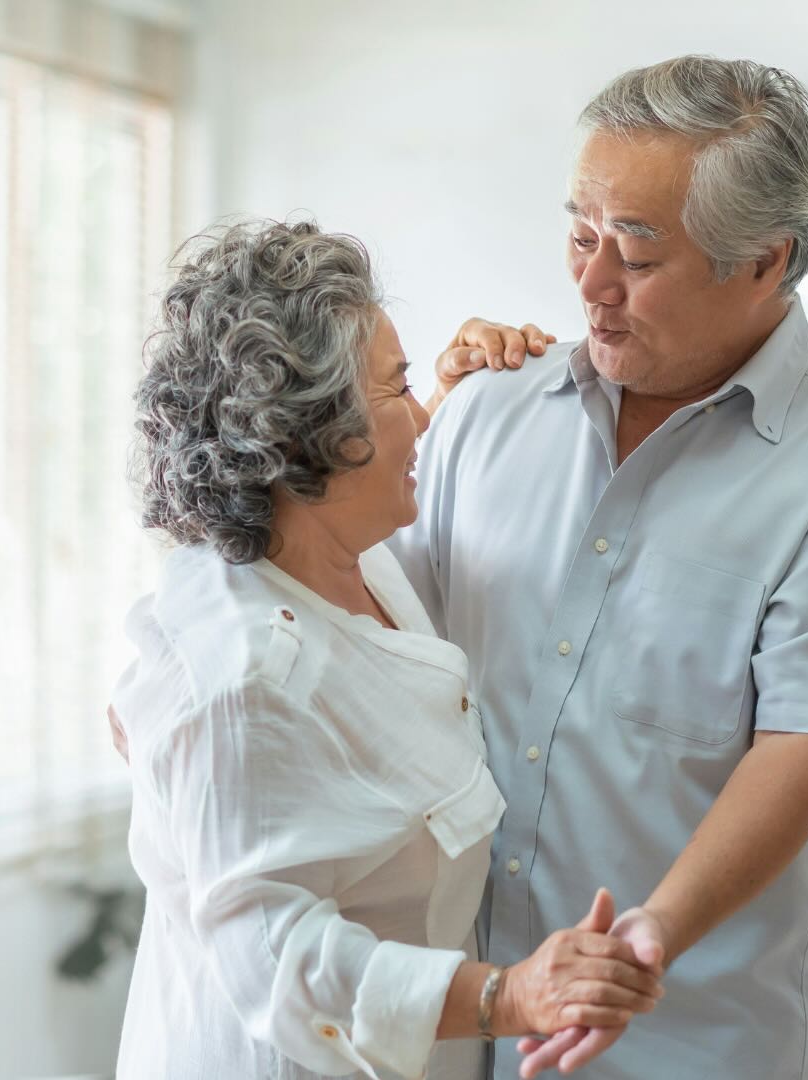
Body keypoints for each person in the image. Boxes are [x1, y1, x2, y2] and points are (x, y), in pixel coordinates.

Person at [391, 55, 808, 1078]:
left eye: (638, 259)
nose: (591, 284)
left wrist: (652, 933)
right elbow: (369, 629)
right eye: (580, 236)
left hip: (707, 1039)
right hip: (476, 1027)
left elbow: (804, 751)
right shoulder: (486, 412)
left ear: (765, 263)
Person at [110, 218, 664, 1080]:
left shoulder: (348, 564)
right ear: (304, 439)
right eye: (396, 387)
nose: (423, 417)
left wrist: (450, 394)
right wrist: (507, 997)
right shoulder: (239, 671)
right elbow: (276, 960)